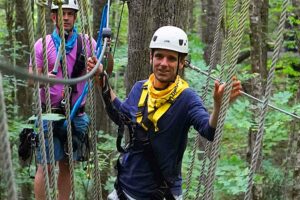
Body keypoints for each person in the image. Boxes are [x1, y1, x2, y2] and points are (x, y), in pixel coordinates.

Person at [87, 25, 242, 200]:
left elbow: (209, 130)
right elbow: (121, 116)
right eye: (159, 56)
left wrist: (219, 106)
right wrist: (102, 81)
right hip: (125, 188)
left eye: (171, 59)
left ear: (182, 63)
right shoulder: (141, 88)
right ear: (151, 57)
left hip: (161, 193)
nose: (163, 64)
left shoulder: (187, 99)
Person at [28, 1, 96, 199]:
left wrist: (101, 62)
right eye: (61, 13)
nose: (65, 17)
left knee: (66, 165)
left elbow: (103, 65)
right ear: (53, 17)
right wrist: (42, 80)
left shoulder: (87, 43)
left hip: (76, 114)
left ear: (75, 17)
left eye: (69, 13)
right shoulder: (42, 44)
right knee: (46, 166)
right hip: (49, 114)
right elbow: (31, 79)